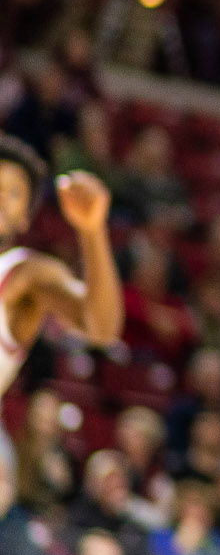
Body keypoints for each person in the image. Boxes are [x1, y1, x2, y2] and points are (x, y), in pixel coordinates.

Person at [0, 137, 123, 414]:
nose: (1, 198)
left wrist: (92, 232)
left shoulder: (27, 274)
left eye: (14, 193)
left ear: (25, 218)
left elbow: (101, 328)